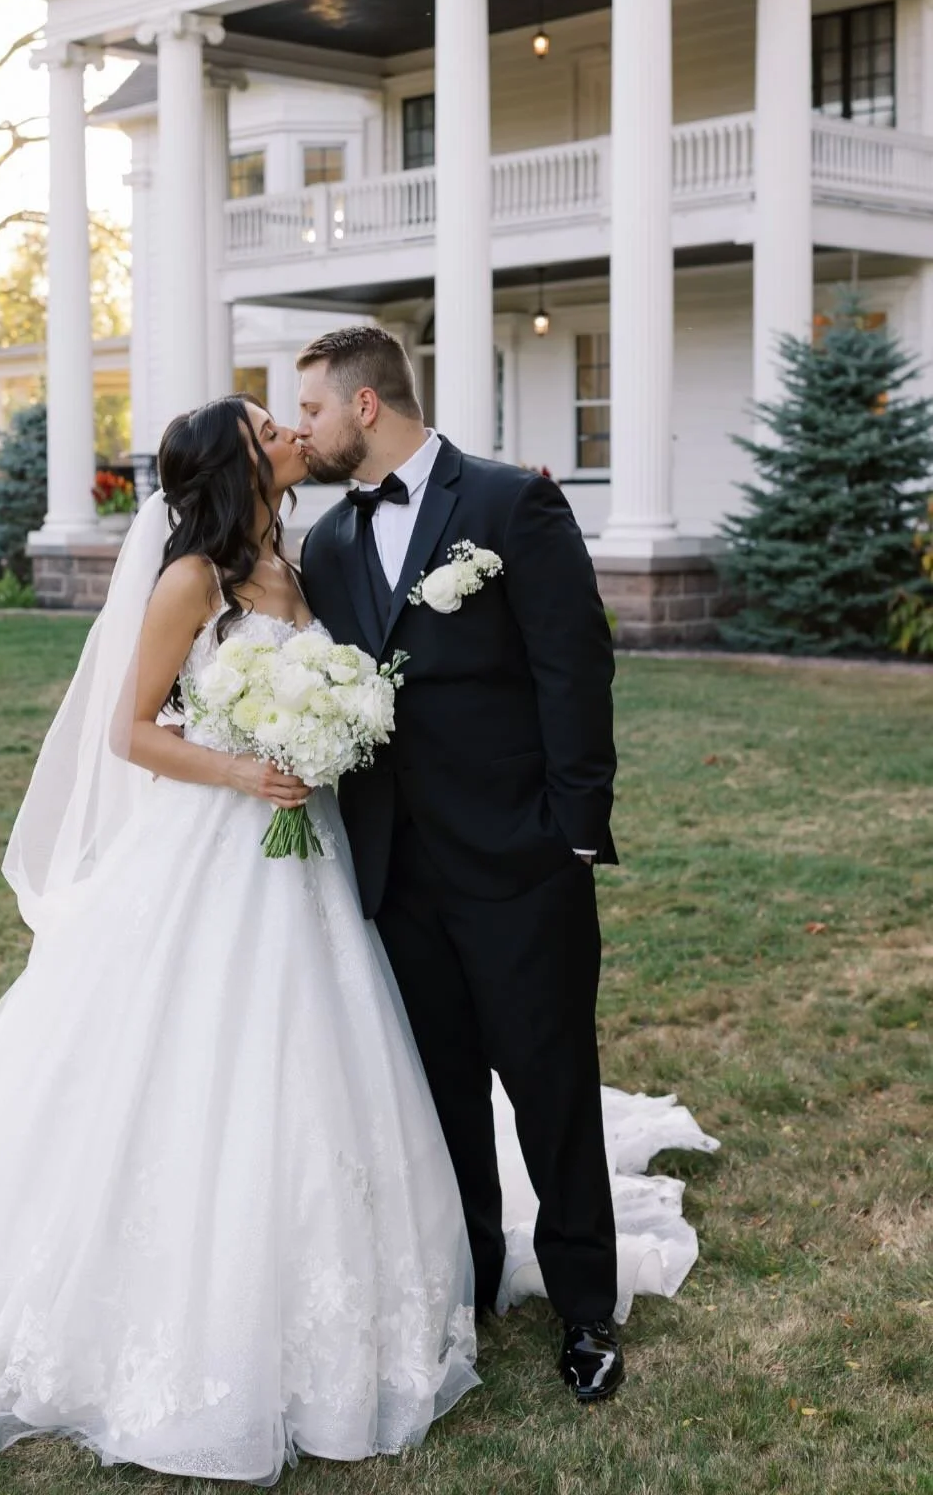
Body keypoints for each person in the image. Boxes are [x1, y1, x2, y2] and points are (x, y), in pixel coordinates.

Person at [0, 396, 480, 1485]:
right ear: (237, 464)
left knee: (318, 1053)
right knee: (193, 1056)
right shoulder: (192, 581)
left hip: (304, 849)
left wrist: (323, 735)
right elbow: (132, 731)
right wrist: (242, 768)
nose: (290, 432)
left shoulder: (294, 565)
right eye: (268, 428)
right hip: (217, 843)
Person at [296, 324, 628, 1401]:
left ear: (365, 404)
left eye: (311, 408)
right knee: (439, 1097)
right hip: (393, 873)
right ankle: (470, 1282)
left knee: (551, 1088)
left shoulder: (509, 503)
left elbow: (574, 663)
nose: (303, 429)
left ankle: (586, 1309)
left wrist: (573, 828)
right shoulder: (327, 545)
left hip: (520, 858)